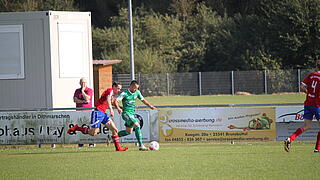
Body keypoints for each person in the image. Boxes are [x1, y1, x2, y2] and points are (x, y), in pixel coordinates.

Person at [68, 81, 128, 151]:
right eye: (118, 88)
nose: (119, 90)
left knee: (114, 129)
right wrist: (111, 109)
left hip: (103, 114)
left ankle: (118, 148)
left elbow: (113, 101)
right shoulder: (110, 90)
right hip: (98, 112)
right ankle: (77, 128)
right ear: (114, 87)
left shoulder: (112, 94)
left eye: (120, 89)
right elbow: (108, 99)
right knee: (93, 133)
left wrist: (118, 108)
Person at [284, 59, 320, 153]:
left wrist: (309, 93)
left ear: (316, 67)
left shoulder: (311, 75)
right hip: (317, 105)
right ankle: (317, 148)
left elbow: (302, 87)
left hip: (308, 104)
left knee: (307, 126)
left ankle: (290, 139)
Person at [114, 80, 156, 151]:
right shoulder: (124, 93)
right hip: (126, 114)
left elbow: (143, 100)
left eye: (137, 88)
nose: (136, 89)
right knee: (137, 125)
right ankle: (141, 146)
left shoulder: (137, 92)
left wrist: (150, 106)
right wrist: (119, 108)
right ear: (131, 86)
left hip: (132, 114)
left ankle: (113, 136)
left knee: (128, 132)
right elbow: (115, 101)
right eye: (135, 88)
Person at [73, 77, 94, 147]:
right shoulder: (77, 90)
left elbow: (88, 98)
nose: (83, 84)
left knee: (89, 126)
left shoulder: (89, 90)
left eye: (84, 82)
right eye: (82, 82)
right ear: (80, 83)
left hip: (88, 111)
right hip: (79, 111)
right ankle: (81, 142)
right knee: (80, 127)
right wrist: (83, 101)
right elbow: (75, 99)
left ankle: (91, 142)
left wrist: (82, 91)